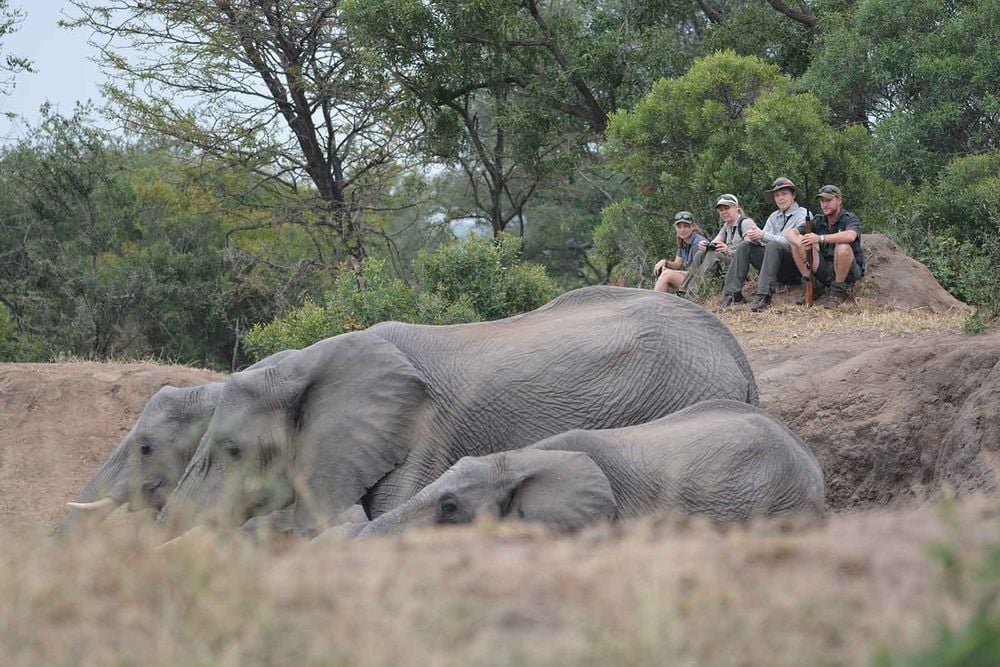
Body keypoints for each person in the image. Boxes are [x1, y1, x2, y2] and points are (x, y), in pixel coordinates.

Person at [718, 177, 809, 312]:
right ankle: (732, 294)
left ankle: (763, 295)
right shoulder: (773, 217)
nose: (780, 198)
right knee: (745, 246)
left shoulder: (803, 214)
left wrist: (763, 236)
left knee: (773, 245)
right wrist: (755, 238)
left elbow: (792, 242)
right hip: (773, 264)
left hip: (795, 266)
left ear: (793, 195)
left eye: (784, 194)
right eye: (777, 195)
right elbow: (763, 240)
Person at [785, 184, 865, 307]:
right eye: (822, 201)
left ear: (839, 200)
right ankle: (812, 285)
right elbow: (790, 233)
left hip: (848, 271)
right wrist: (801, 242)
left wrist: (820, 238)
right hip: (825, 269)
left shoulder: (849, 218)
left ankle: (838, 291)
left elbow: (850, 236)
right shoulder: (819, 220)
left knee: (843, 247)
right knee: (797, 243)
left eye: (828, 200)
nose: (824, 204)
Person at [677, 194, 758, 297]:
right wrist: (705, 246)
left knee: (713, 255)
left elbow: (749, 250)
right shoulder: (727, 226)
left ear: (736, 207)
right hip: (731, 262)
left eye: (727, 208)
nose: (724, 212)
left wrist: (727, 250)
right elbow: (714, 242)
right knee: (701, 253)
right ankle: (683, 291)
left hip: (744, 266)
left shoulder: (746, 223)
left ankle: (696, 293)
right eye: (721, 210)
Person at [653, 211, 708, 293]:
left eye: (686, 226)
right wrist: (665, 263)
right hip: (692, 277)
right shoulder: (683, 241)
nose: (682, 230)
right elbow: (677, 264)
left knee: (666, 275)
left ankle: (655, 300)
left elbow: (696, 272)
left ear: (693, 227)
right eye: (679, 227)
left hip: (703, 281)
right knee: (663, 272)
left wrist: (671, 272)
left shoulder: (698, 243)